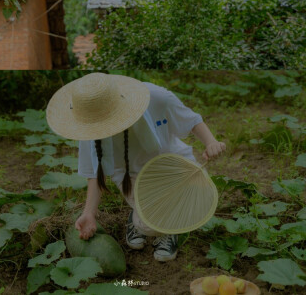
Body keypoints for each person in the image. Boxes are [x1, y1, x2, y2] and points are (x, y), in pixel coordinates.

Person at [46, 72, 226, 262]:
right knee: (149, 225)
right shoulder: (87, 124)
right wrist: (89, 213)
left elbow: (191, 120)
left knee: (197, 193)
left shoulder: (156, 97)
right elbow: (94, 173)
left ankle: (169, 229)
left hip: (169, 161)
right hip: (130, 175)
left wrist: (210, 141)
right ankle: (139, 219)